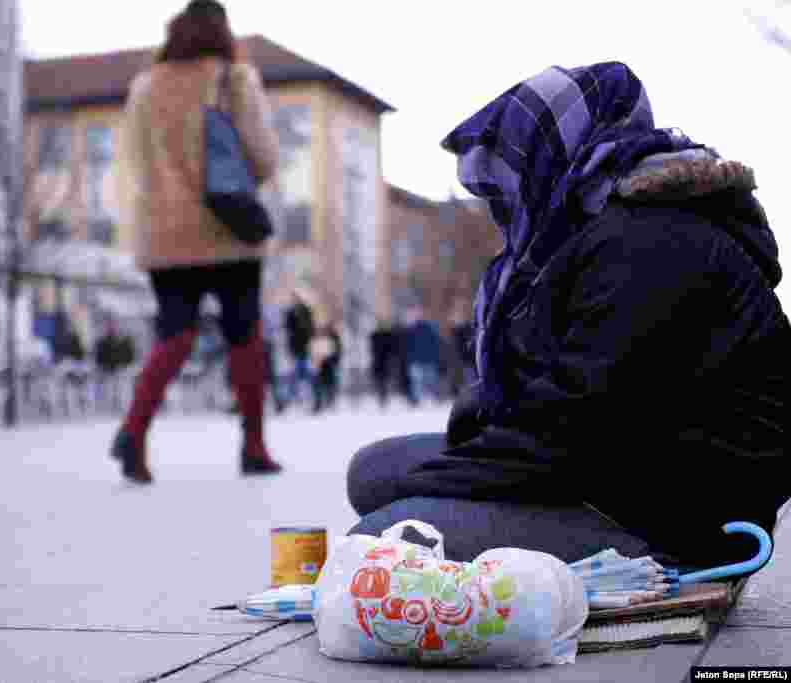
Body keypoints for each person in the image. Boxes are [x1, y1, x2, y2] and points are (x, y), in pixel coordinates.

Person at [345, 62, 790, 569]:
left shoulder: (648, 243)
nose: (502, 200)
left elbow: (575, 428)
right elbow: (567, 400)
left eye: (508, 176)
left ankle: (642, 566)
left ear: (549, 155)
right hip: (620, 468)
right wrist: (473, 440)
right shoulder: (596, 229)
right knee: (372, 471)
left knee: (379, 539)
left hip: (680, 516)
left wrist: (439, 480)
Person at [109, 0, 282, 483]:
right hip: (229, 233)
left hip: (165, 235)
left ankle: (134, 431)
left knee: (174, 335)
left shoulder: (145, 87)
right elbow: (264, 157)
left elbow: (136, 160)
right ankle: (253, 445)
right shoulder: (233, 78)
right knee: (244, 338)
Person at [284, 291, 316, 406]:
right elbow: (287, 330)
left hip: (305, 348)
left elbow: (311, 329)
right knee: (296, 374)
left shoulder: (306, 311)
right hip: (295, 348)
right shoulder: (289, 313)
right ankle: (295, 399)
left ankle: (310, 399)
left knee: (306, 374)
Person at [310, 323, 342, 413]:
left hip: (328, 364)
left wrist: (330, 360)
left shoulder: (331, 339)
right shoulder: (314, 340)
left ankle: (330, 401)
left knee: (329, 383)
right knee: (317, 384)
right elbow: (312, 353)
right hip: (318, 364)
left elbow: (335, 353)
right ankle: (318, 403)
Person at [368, 322, 396, 408]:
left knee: (384, 382)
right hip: (379, 362)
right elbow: (372, 349)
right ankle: (382, 398)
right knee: (380, 382)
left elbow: (393, 349)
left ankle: (383, 399)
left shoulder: (389, 335)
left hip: (385, 362)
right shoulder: (374, 335)